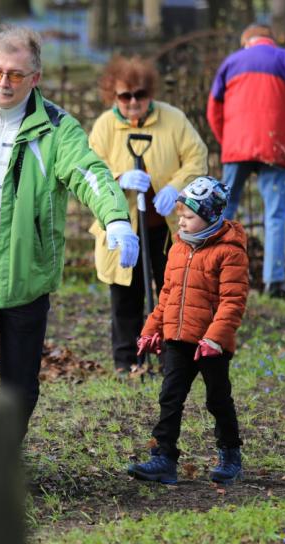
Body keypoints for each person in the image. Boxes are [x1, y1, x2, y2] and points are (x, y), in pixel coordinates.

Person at [0, 25, 138, 436]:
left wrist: (116, 219)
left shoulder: (57, 130)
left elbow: (89, 174)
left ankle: (2, 453)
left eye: (17, 75)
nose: (4, 82)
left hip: (25, 273)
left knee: (18, 386)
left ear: (35, 79)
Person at [89, 55, 208, 376]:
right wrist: (119, 178)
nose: (132, 103)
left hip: (168, 227)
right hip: (123, 227)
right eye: (124, 96)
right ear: (113, 96)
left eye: (139, 95)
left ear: (150, 93)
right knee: (126, 296)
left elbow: (197, 158)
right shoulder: (105, 127)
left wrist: (176, 187)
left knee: (171, 293)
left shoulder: (173, 120)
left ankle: (171, 359)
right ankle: (127, 360)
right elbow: (90, 171)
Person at [129, 176, 249, 485]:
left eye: (188, 216)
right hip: (178, 340)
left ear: (210, 217)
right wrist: (151, 329)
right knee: (170, 396)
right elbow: (166, 296)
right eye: (180, 215)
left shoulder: (230, 252)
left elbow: (232, 301)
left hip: (210, 343)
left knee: (217, 399)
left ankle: (230, 453)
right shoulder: (178, 249)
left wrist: (215, 337)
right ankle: (163, 457)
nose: (180, 220)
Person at [207, 24, 285, 298]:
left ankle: (215, 276)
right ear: (271, 40)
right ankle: (274, 282)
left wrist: (228, 142)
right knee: (276, 214)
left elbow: (213, 110)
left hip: (236, 147)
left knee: (225, 211)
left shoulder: (231, 62)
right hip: (274, 147)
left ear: (247, 42)